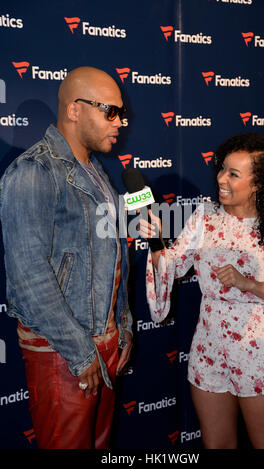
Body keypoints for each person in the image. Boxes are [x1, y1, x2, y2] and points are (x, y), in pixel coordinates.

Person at [0, 66, 133, 449]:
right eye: (110, 111)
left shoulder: (96, 171)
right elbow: (28, 278)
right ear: (75, 110)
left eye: (120, 112)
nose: (120, 122)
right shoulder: (33, 171)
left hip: (103, 344)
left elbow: (112, 257)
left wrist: (120, 325)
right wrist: (80, 352)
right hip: (63, 353)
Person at [141, 133, 264, 449]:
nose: (220, 179)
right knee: (217, 445)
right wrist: (156, 241)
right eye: (222, 169)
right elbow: (173, 264)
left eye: (233, 174)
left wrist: (248, 284)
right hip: (209, 348)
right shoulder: (205, 216)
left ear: (258, 184)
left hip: (261, 351)